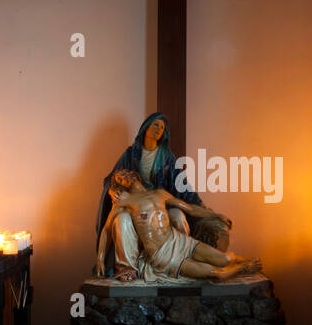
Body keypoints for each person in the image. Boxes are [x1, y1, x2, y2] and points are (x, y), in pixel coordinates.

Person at [93, 112, 231, 277]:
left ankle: (182, 262)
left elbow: (182, 184)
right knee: (121, 220)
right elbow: (112, 179)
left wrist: (208, 211)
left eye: (162, 127)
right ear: (146, 127)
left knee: (179, 216)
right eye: (155, 125)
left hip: (161, 203)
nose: (159, 129)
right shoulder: (131, 154)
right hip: (136, 206)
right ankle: (127, 269)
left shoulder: (166, 157)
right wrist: (112, 190)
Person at [96, 170, 259, 282]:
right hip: (164, 255)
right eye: (120, 178)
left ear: (135, 175)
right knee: (214, 274)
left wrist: (216, 215)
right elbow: (107, 229)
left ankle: (246, 261)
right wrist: (101, 259)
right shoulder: (125, 201)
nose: (124, 175)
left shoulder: (159, 193)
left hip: (180, 241)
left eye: (125, 173)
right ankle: (242, 268)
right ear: (119, 186)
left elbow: (190, 208)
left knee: (224, 259)